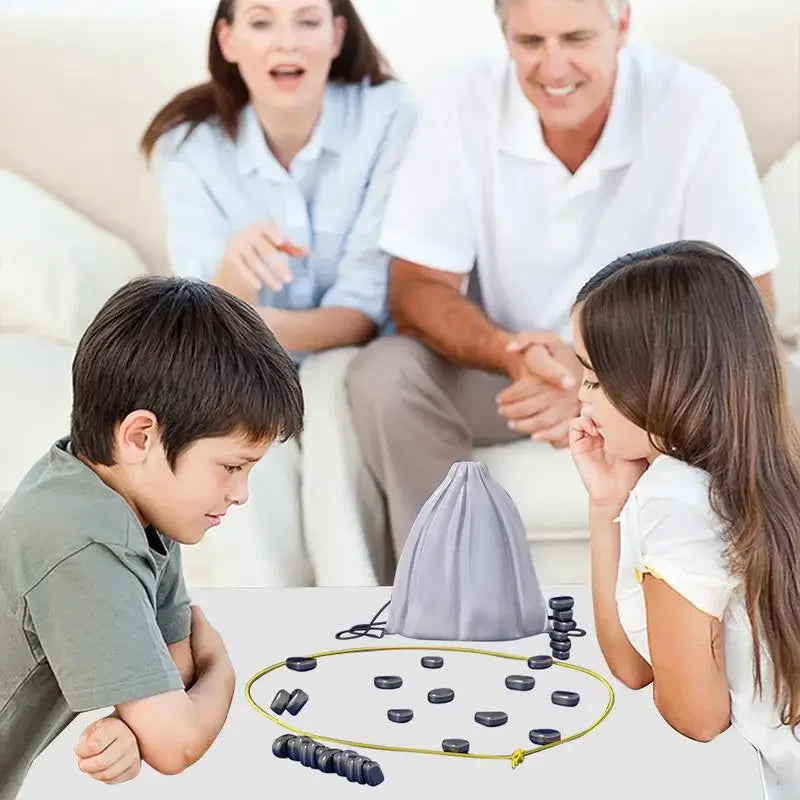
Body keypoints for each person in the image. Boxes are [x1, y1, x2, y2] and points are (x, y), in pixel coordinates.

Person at [345, 0, 779, 560]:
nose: (553, 69)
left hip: (649, 375)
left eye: (575, 38)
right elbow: (416, 288)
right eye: (530, 43)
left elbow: (748, 302)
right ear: (505, 38)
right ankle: (448, 581)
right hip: (513, 373)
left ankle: (752, 594)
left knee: (777, 382)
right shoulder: (461, 101)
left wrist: (600, 382)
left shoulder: (693, 104)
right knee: (382, 376)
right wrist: (512, 355)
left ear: (621, 25)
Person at [140, 0, 414, 586]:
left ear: (338, 35)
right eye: (261, 22)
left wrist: (246, 320)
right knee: (232, 423)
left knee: (325, 390)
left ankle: (355, 613)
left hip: (347, 353)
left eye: (307, 21)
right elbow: (200, 318)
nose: (285, 43)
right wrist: (234, 279)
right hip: (236, 355)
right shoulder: (188, 145)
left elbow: (364, 310)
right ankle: (267, 631)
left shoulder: (389, 115)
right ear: (229, 40)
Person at [0, 277, 304, 797]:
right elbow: (175, 741)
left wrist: (137, 721)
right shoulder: (82, 546)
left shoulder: (131, 503)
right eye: (231, 466)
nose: (241, 494)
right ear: (141, 436)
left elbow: (175, 675)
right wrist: (223, 671)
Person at [567, 240, 800, 797]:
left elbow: (697, 717)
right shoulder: (767, 469)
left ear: (662, 382)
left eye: (596, 380)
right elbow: (633, 665)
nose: (582, 399)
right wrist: (609, 508)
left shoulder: (676, 498)